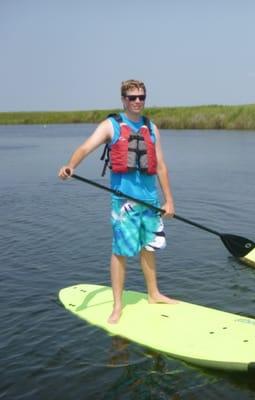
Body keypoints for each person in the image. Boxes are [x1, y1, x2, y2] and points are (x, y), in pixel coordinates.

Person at [58, 79, 177, 323]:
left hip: (151, 201)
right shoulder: (111, 126)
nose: (137, 102)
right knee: (120, 252)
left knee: (150, 247)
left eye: (141, 97)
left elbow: (162, 166)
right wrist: (70, 165)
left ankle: (153, 294)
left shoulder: (151, 128)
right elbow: (85, 148)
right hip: (124, 203)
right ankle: (117, 305)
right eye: (132, 97)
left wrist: (169, 201)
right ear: (123, 99)